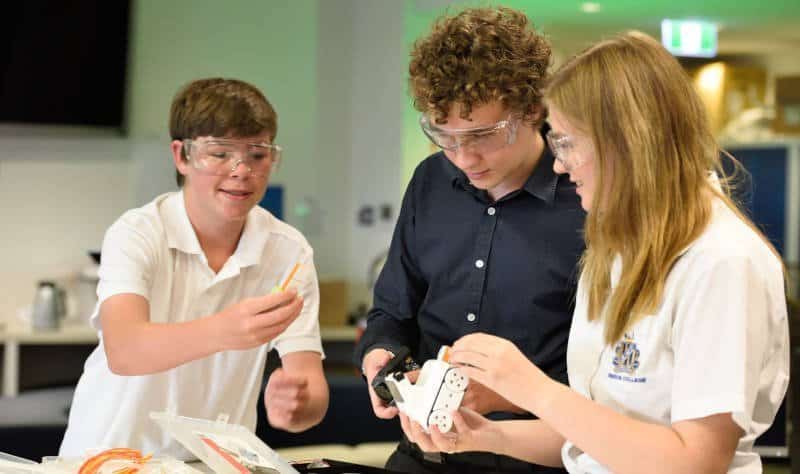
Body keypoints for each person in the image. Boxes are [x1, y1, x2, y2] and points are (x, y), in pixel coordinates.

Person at [407, 32, 790, 474]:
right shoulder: (617, 250)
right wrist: (483, 435)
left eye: (567, 142)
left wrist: (534, 389)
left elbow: (696, 461)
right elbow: (597, 436)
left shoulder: (721, 261)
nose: (558, 164)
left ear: (625, 142)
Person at [354, 7, 585, 473]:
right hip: (428, 452)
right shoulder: (430, 182)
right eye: (445, 137)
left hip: (542, 458)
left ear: (533, 108)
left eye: (482, 135)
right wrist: (380, 356)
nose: (463, 157)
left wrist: (512, 394)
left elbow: (608, 377)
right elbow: (392, 311)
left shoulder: (585, 194)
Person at [60, 78, 329, 459]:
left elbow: (310, 388)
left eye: (257, 154)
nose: (241, 170)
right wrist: (226, 330)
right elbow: (125, 349)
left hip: (213, 465)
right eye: (219, 154)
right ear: (181, 156)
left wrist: (297, 405)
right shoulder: (138, 232)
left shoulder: (288, 250)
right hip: (108, 458)